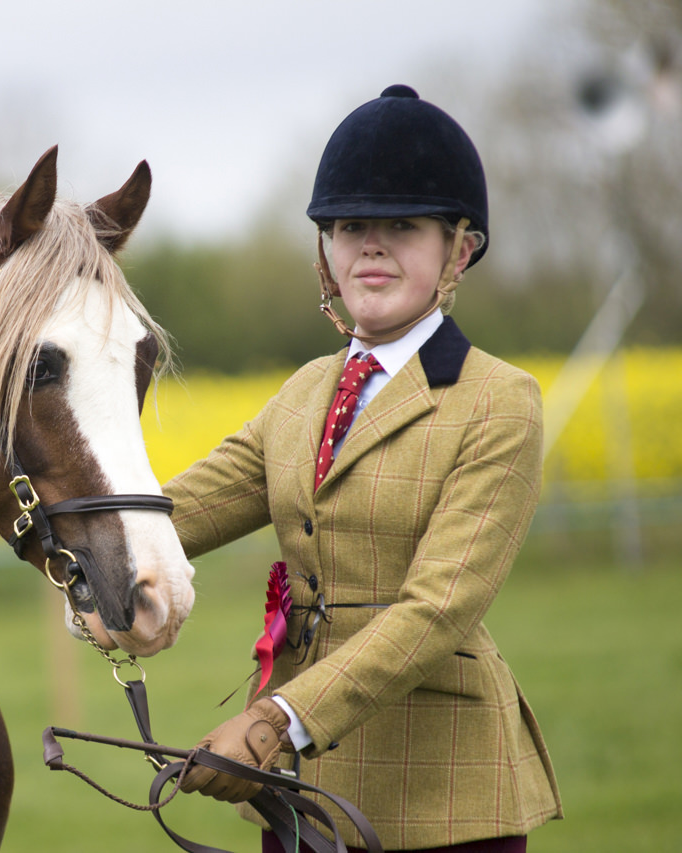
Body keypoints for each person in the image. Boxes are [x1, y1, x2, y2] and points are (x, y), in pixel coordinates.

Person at [167, 85, 563, 852]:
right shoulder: (301, 395)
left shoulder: (498, 401)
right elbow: (175, 514)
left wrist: (272, 719)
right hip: (301, 793)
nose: (371, 247)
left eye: (403, 227)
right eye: (352, 227)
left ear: (461, 248)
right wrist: (67, 531)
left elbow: (437, 608)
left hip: (443, 792)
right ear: (326, 248)